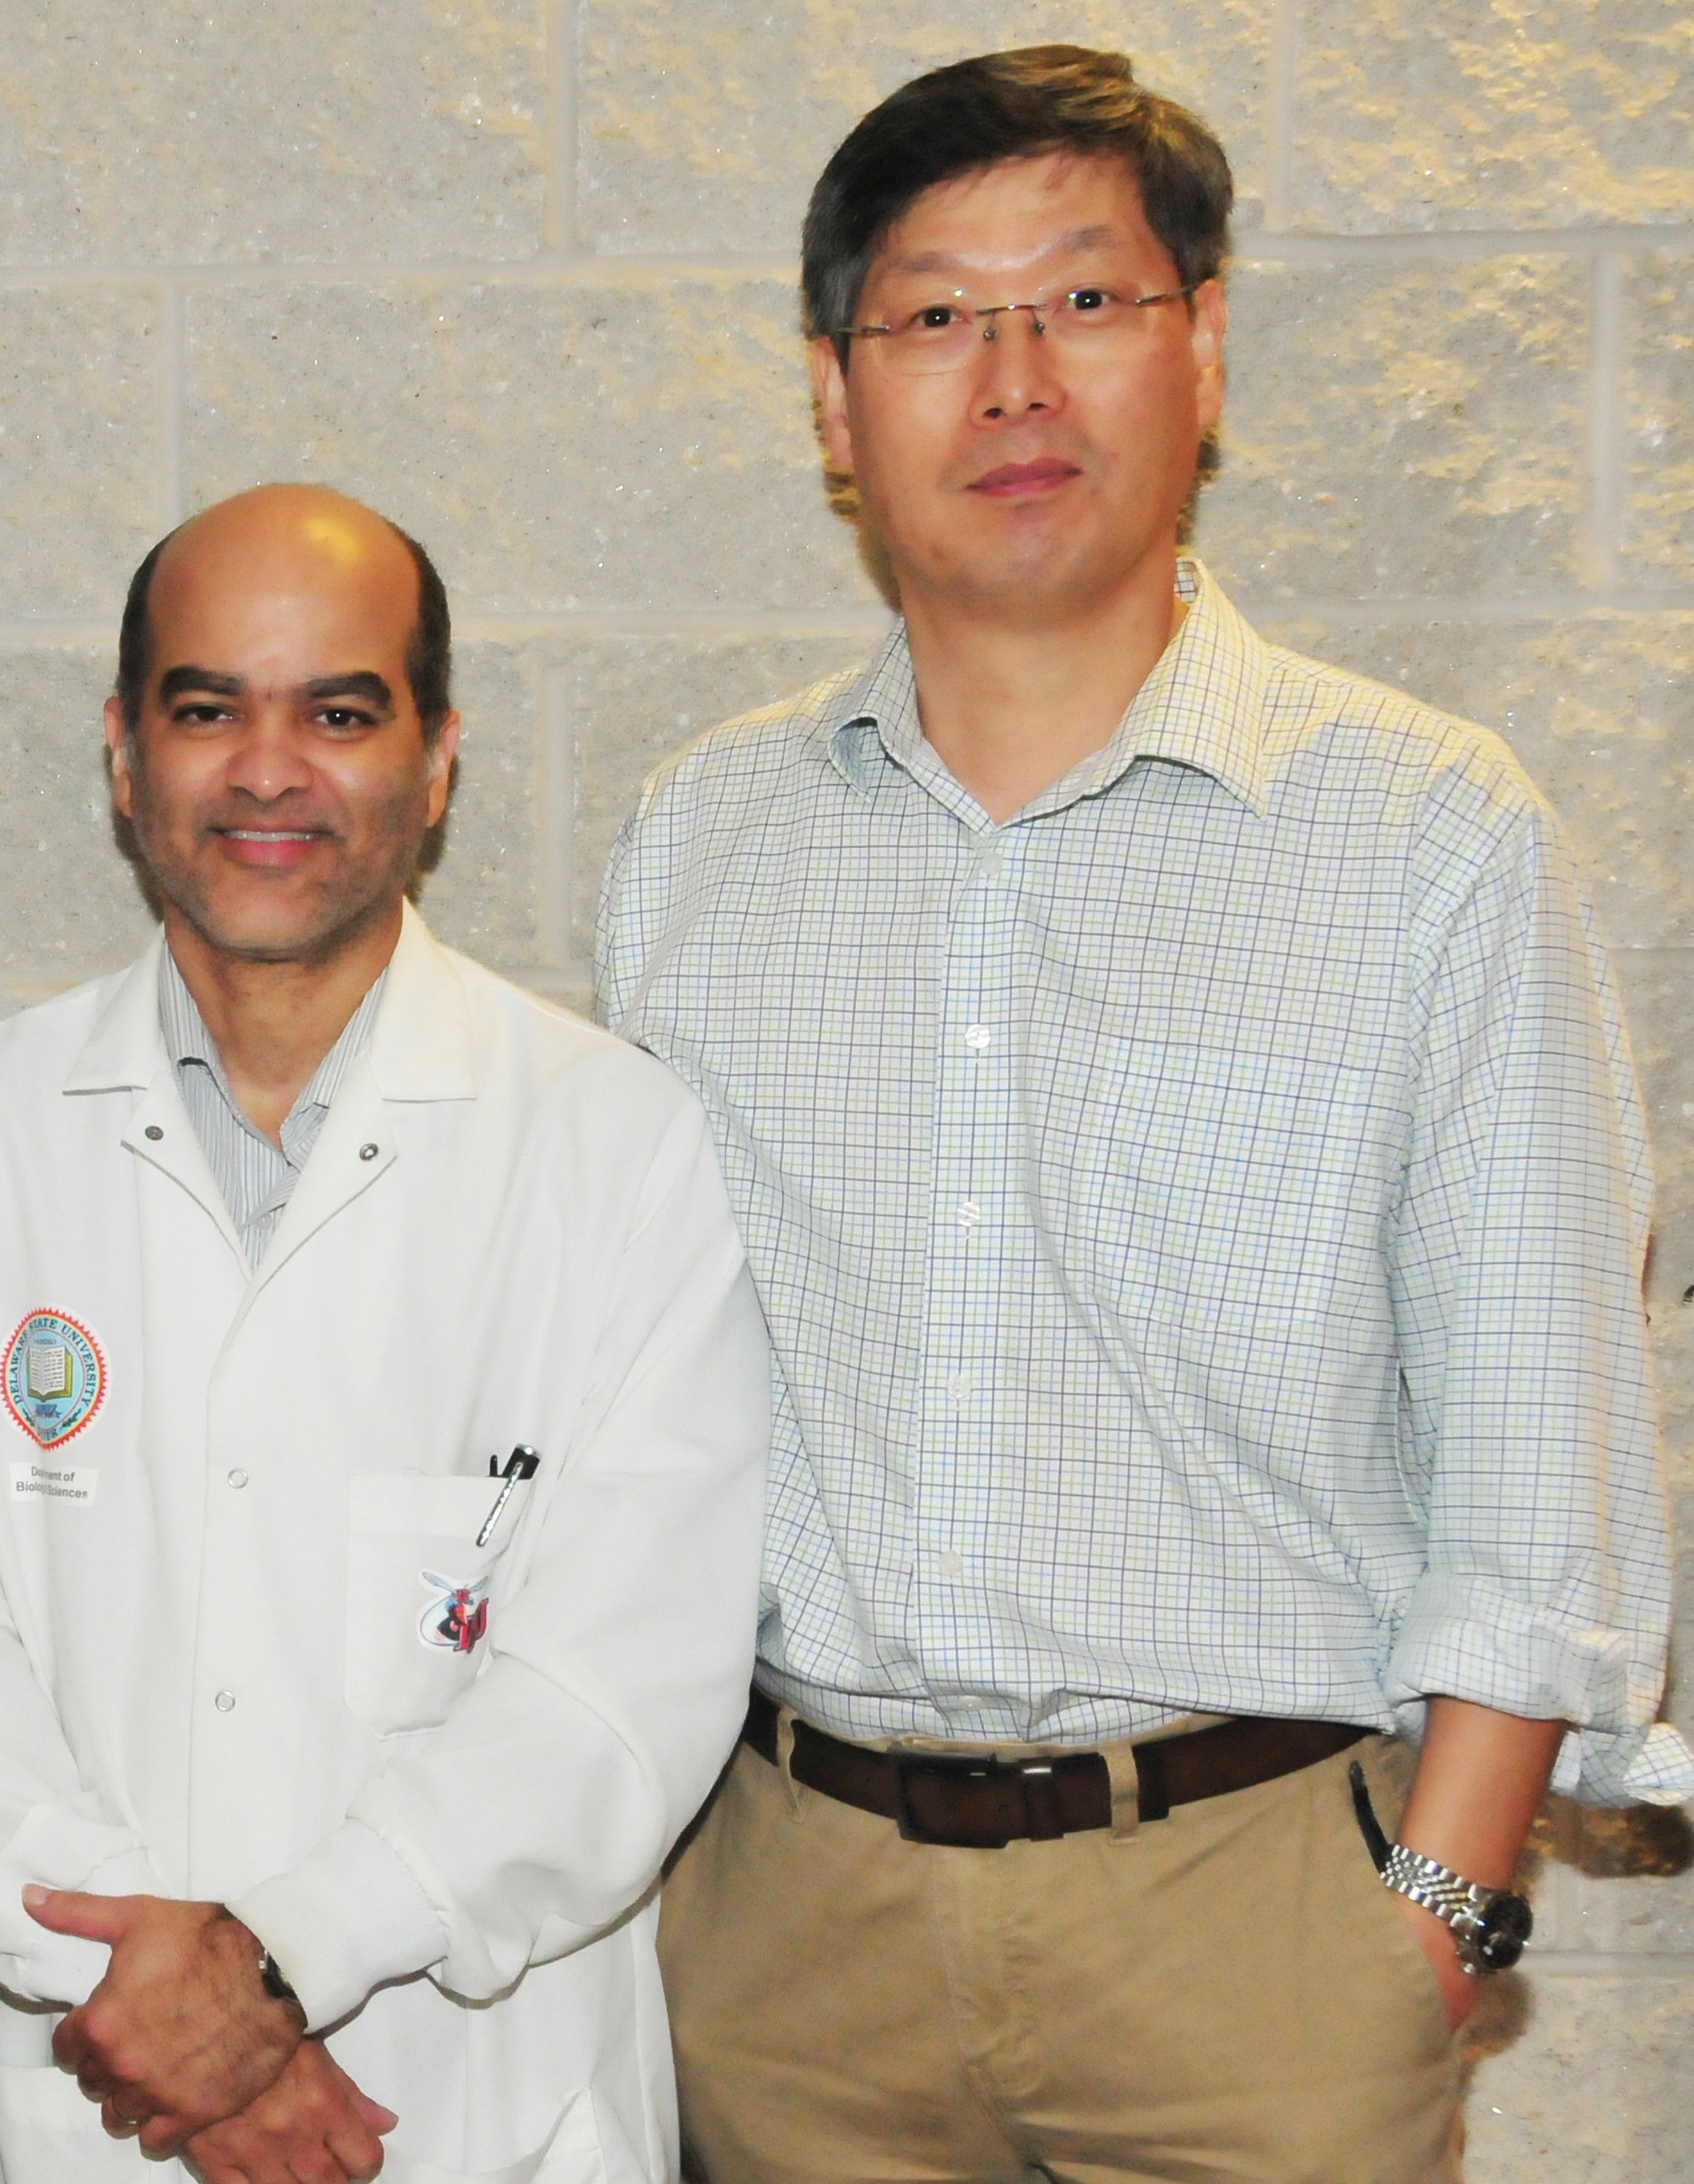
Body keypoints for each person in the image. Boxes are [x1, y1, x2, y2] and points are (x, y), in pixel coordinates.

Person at [593, 47, 1690, 2183]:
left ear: (1200, 348)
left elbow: (1539, 1432)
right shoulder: (696, 840)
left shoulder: (1425, 832)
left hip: (1258, 1929)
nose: (1009, 378)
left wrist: (1434, 1914)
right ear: (833, 402)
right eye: (931, 316)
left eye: (1080, 301)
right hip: (782, 1933)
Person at [0, 483, 771, 2184]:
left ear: (440, 757)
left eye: (339, 711)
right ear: (125, 755)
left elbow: (628, 1689)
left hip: (482, 2111)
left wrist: (272, 1971)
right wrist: (175, 2017)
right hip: (98, 2090)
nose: (269, 770)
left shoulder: (614, 1145)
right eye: (207, 709)